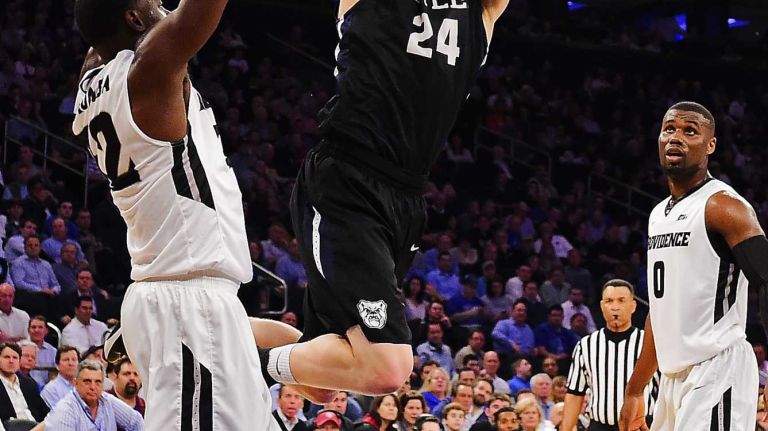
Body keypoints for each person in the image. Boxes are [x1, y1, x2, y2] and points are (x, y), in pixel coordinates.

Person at [256, 0, 512, 398]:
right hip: (349, 179)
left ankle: (207, 328)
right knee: (387, 369)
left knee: (320, 384)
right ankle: (242, 363)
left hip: (407, 197)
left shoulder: (480, 13)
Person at [72, 0, 278, 428]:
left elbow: (101, 26)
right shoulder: (151, 69)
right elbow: (198, 13)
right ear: (133, 19)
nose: (165, 7)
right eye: (154, 2)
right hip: (188, 300)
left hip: (183, 292)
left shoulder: (96, 74)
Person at [620, 102, 768, 431]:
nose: (676, 138)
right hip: (673, 378)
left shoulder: (723, 206)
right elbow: (662, 310)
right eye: (669, 129)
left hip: (718, 368)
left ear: (710, 145)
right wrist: (635, 389)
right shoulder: (659, 215)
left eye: (690, 131)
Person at [562, 279, 658, 431]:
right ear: (601, 306)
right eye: (609, 301)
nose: (615, 307)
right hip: (599, 426)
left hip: (642, 425)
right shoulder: (586, 344)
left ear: (633, 306)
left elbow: (665, 389)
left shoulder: (649, 343)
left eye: (621, 301)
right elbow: (575, 393)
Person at [42, 360, 143, 430]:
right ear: (75, 383)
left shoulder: (107, 400)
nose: (93, 387)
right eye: (87, 381)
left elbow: (137, 422)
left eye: (98, 382)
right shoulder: (65, 410)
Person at [0, 342, 48, 422]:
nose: (11, 361)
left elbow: (44, 412)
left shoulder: (29, 384)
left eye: (15, 358)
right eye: (6, 357)